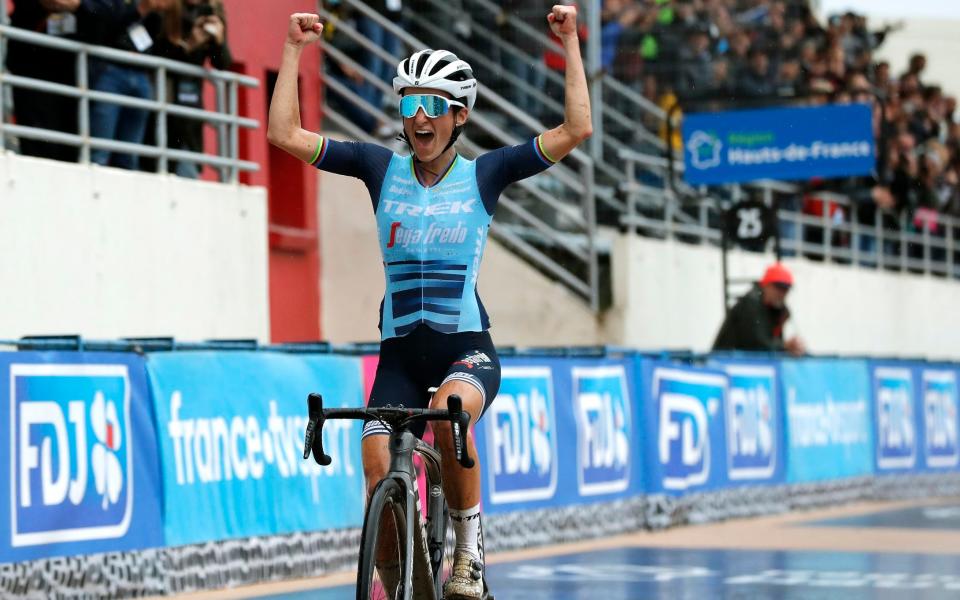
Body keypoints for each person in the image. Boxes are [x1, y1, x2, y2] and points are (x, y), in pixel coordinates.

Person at [268, 6, 591, 599]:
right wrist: (291, 50)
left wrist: (569, 41)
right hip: (399, 357)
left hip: (466, 350)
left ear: (459, 115)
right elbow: (284, 135)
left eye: (434, 105)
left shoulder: (485, 175)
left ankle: (468, 553)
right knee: (375, 474)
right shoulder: (376, 167)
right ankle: (402, 584)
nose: (419, 116)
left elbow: (575, 130)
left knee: (452, 417)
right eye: (409, 103)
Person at [78, 0, 175, 170]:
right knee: (99, 152)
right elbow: (103, 23)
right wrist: (141, 9)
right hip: (110, 71)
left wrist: (162, 12)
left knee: (129, 157)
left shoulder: (155, 12)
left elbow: (157, 41)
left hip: (141, 75)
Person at [153, 0, 232, 178]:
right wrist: (189, 44)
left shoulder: (210, 11)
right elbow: (158, 55)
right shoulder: (166, 9)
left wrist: (218, 41)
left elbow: (223, 63)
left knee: (188, 167)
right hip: (163, 102)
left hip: (190, 109)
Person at [5, 0, 82, 162]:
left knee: (69, 145)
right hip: (32, 67)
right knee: (39, 143)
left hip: (67, 70)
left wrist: (79, 5)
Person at [713, 263, 806, 356]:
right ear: (766, 285)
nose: (782, 293)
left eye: (786, 289)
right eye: (779, 287)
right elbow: (757, 345)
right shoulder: (750, 304)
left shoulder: (776, 310)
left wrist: (792, 347)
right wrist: (785, 347)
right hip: (727, 361)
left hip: (745, 362)